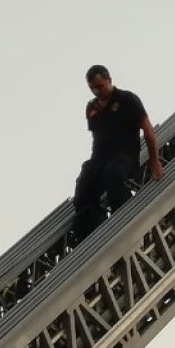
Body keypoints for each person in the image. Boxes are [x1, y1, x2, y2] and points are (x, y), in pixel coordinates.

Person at [70, 64, 164, 240]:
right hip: (100, 157)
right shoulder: (92, 108)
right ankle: (89, 233)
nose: (96, 91)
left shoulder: (127, 99)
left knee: (112, 175)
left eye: (100, 86)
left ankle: (126, 223)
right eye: (92, 88)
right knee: (84, 183)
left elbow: (148, 130)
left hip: (124, 154)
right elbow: (97, 138)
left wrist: (155, 161)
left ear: (109, 80)